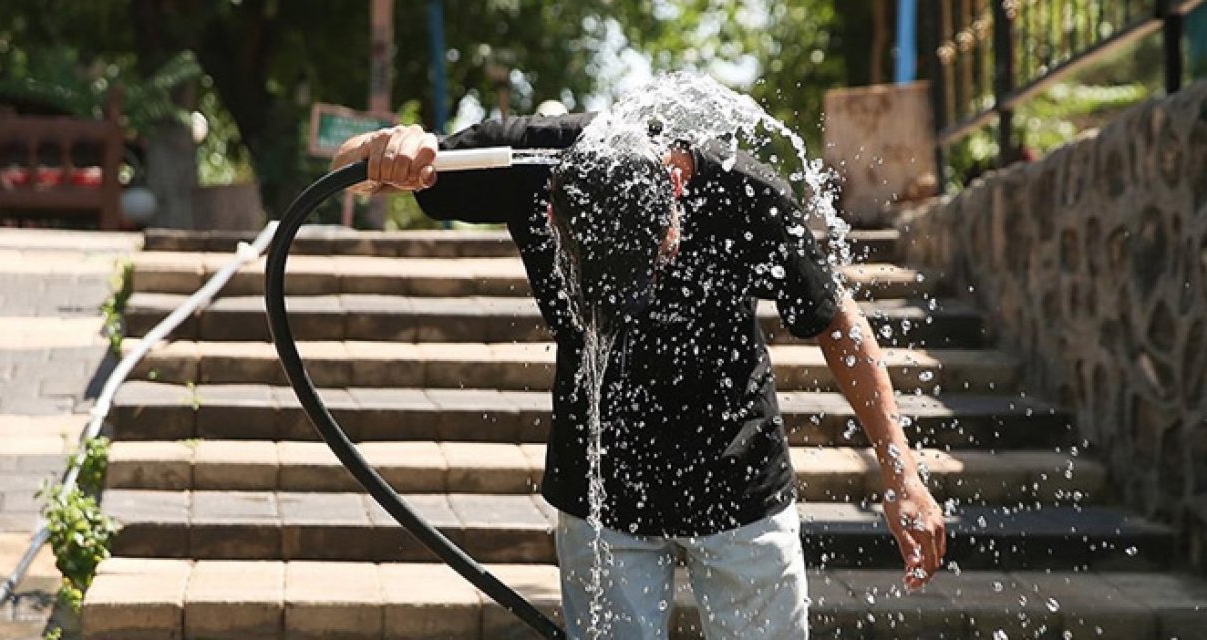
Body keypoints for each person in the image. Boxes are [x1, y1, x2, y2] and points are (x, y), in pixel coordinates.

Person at [333, 116, 946, 639]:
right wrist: (387, 148)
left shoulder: (747, 193)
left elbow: (837, 325)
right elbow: (346, 168)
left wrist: (901, 472)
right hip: (601, 491)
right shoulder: (524, 160)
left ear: (676, 191)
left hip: (739, 486)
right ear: (551, 208)